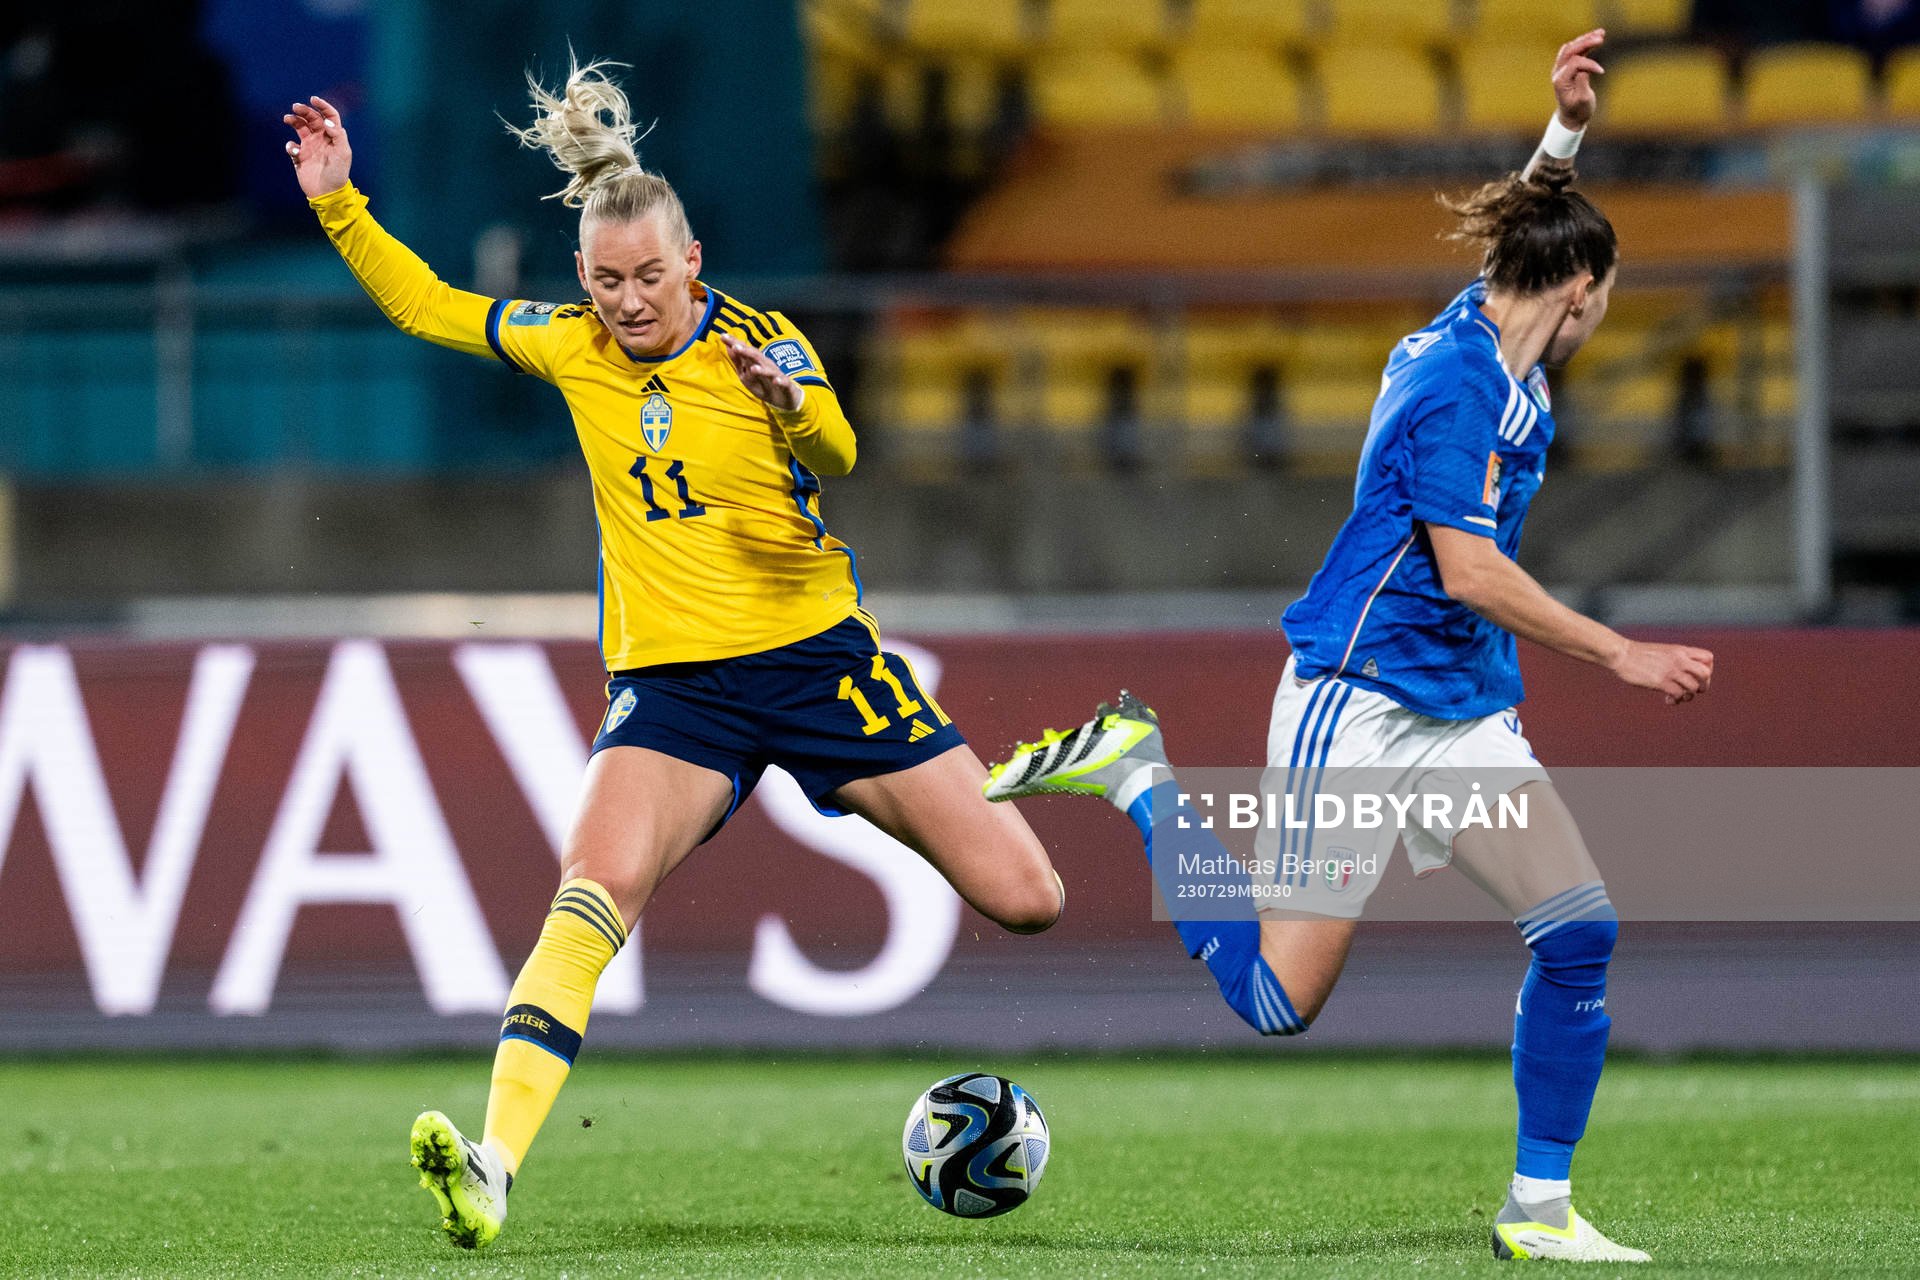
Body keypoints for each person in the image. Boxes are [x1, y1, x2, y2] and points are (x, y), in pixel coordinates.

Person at [283, 57, 1064, 1250]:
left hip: (819, 666)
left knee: (1031, 897)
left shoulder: (761, 341)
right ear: (582, 280)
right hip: (673, 695)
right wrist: (341, 202)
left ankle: (1109, 768)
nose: (631, 301)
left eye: (650, 275)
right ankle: (492, 1164)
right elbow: (430, 305)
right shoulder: (570, 345)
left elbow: (845, 450)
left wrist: (790, 401)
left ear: (692, 262)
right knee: (589, 893)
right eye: (607, 281)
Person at [982, 31, 1712, 1265]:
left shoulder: (1487, 325)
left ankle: (1538, 1210)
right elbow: (1470, 569)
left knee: (1579, 927)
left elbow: (1521, 234)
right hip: (1360, 699)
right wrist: (1618, 654)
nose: (1603, 312)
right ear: (1583, 290)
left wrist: (1568, 129)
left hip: (1462, 705)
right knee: (1278, 999)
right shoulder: (1458, 386)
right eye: (1608, 293)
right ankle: (1139, 776)